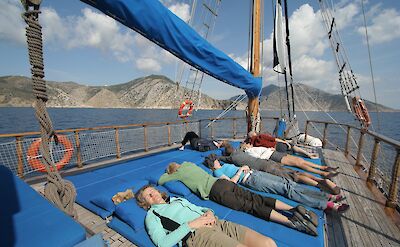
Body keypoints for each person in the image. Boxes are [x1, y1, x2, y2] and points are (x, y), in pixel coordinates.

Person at [158, 161, 319, 236]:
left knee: (249, 206)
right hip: (222, 182)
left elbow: (160, 180)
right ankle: (293, 209)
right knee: (256, 198)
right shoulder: (189, 164)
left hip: (216, 192)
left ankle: (293, 223)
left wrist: (169, 174)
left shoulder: (177, 174)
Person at [135, 185, 277, 247]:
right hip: (197, 234)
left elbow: (199, 208)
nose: (154, 195)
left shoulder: (176, 199)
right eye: (149, 195)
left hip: (216, 222)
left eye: (154, 191)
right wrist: (191, 225)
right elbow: (162, 243)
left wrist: (209, 212)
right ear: (144, 203)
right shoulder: (152, 215)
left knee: (268, 243)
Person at [204, 154, 349, 214]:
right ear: (213, 164)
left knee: (289, 183)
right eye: (215, 159)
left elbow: (229, 157)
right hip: (251, 180)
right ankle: (326, 205)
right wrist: (241, 170)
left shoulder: (223, 164)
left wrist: (246, 167)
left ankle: (326, 196)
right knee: (286, 189)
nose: (217, 160)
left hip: (255, 173)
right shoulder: (217, 173)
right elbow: (230, 183)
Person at [220, 144, 341, 195]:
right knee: (296, 172)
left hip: (266, 168)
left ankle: (319, 183)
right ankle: (319, 179)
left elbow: (221, 159)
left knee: (295, 178)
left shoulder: (233, 158)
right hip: (268, 162)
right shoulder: (242, 152)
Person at [240, 142, 339, 179]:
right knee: (299, 163)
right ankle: (322, 173)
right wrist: (269, 150)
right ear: (245, 147)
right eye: (247, 143)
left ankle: (323, 167)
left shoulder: (254, 148)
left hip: (275, 153)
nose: (249, 143)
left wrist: (270, 149)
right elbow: (260, 159)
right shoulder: (249, 152)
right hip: (273, 156)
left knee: (299, 159)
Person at [247, 131, 320, 159]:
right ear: (255, 134)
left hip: (274, 151)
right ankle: (308, 154)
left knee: (290, 154)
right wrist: (285, 142)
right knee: (293, 147)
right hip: (278, 145)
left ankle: (299, 155)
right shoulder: (261, 136)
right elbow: (274, 139)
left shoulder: (253, 145)